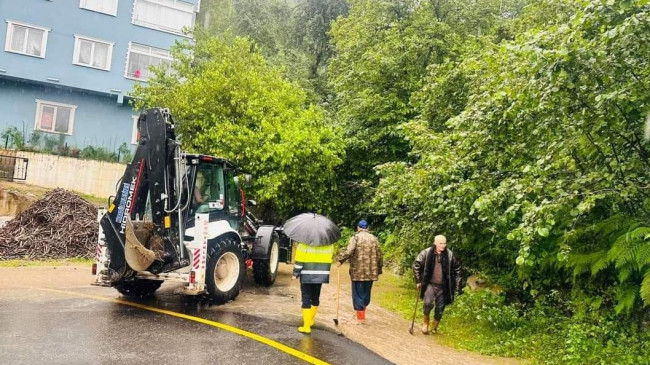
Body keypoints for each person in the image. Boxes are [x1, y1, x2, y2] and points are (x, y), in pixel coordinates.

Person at [412, 235, 462, 334]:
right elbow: (416, 265)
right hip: (430, 284)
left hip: (444, 286)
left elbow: (458, 270)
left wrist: (458, 287)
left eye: (445, 243)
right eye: (441, 243)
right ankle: (426, 322)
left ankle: (435, 325)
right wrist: (418, 281)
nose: (443, 245)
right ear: (435, 243)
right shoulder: (426, 253)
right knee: (427, 303)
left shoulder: (450, 255)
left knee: (440, 308)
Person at [336, 219, 383, 324]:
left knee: (358, 294)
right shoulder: (374, 239)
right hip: (371, 272)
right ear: (367, 228)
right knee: (366, 294)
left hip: (358, 272)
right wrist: (379, 269)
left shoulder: (355, 238)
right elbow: (380, 255)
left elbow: (349, 251)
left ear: (358, 227)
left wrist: (340, 260)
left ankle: (360, 319)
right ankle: (363, 316)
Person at [292, 240, 334, 334]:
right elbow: (330, 258)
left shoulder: (304, 243)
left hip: (307, 274)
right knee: (315, 297)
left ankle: (306, 327)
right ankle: (311, 320)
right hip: (321, 274)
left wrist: (295, 273)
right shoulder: (329, 244)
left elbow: (299, 260)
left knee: (306, 298)